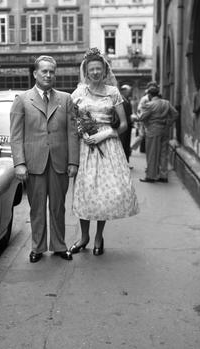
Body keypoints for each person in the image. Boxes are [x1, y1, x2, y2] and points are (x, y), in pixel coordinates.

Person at [69, 48, 139, 256]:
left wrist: (106, 134)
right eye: (92, 69)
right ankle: (84, 237)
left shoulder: (113, 92)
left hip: (108, 146)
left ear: (105, 70)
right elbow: (72, 119)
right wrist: (82, 132)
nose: (95, 72)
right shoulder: (78, 93)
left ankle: (98, 236)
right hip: (85, 147)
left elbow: (124, 124)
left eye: (99, 68)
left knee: (103, 195)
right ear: (86, 71)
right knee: (85, 193)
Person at [9, 55, 79, 263]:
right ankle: (37, 248)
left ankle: (59, 245)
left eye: (52, 71)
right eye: (44, 71)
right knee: (37, 208)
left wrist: (73, 161)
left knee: (58, 207)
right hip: (34, 164)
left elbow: (72, 132)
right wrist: (19, 163)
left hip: (59, 163)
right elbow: (16, 135)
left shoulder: (65, 99)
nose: (48, 75)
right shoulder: (22, 100)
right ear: (35, 74)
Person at [137, 85, 179, 183]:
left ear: (150, 95)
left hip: (153, 131)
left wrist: (139, 114)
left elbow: (142, 118)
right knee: (163, 153)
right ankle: (163, 176)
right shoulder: (166, 103)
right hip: (164, 130)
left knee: (152, 153)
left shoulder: (150, 105)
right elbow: (175, 114)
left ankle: (151, 176)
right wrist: (168, 123)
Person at [119, 84, 134, 166]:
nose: (130, 93)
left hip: (128, 124)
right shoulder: (121, 100)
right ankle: (124, 162)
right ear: (124, 91)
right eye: (128, 91)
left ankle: (126, 161)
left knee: (126, 143)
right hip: (124, 125)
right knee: (123, 143)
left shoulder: (127, 100)